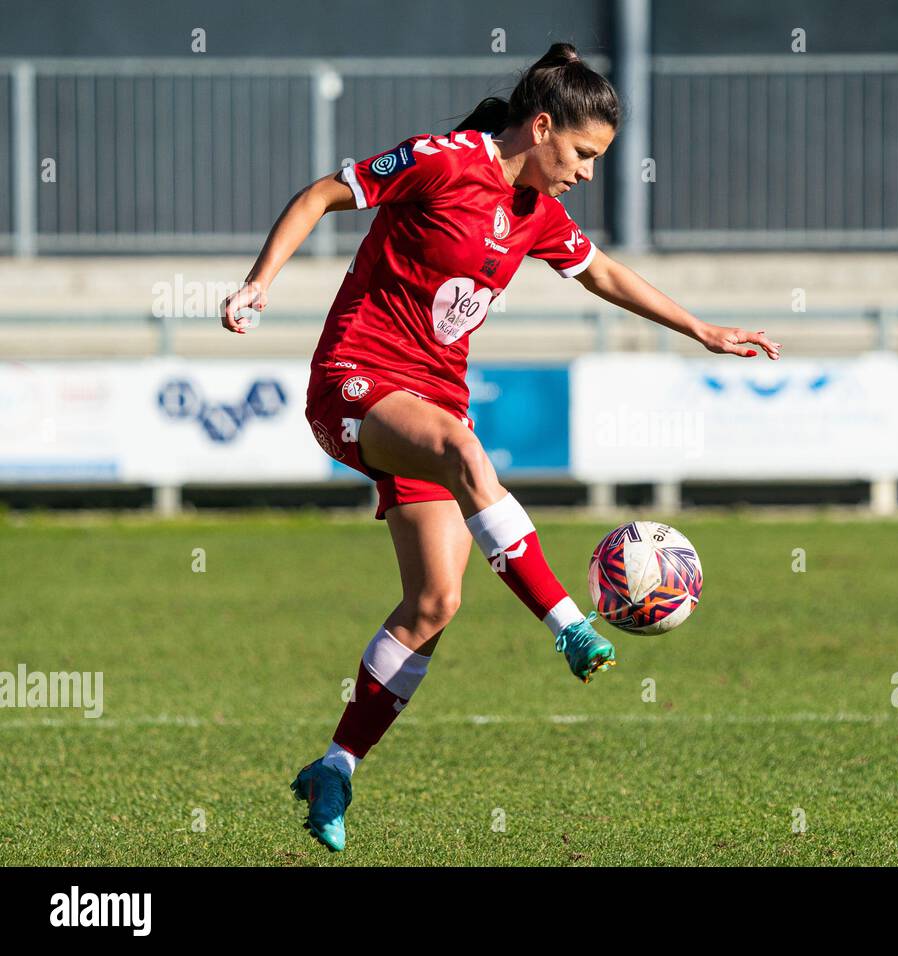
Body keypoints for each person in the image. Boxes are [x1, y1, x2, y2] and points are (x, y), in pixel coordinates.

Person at [220, 42, 781, 852]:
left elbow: (604, 275)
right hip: (355, 379)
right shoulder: (441, 161)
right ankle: (566, 624)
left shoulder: (537, 213)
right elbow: (321, 195)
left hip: (433, 405)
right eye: (583, 155)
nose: (587, 174)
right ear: (543, 125)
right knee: (462, 450)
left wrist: (700, 328)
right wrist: (259, 282)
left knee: (435, 603)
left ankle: (335, 764)